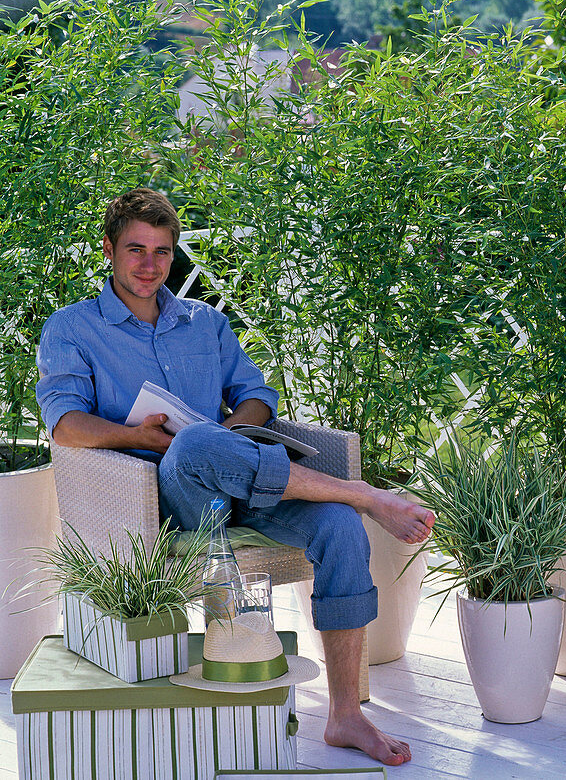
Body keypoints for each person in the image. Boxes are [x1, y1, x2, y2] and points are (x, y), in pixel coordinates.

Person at [35, 188, 433, 767]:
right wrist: (142, 437)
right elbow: (66, 426)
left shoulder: (206, 322)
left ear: (174, 256)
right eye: (136, 250)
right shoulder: (72, 329)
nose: (150, 265)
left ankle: (346, 715)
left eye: (162, 252)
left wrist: (237, 433)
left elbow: (255, 397)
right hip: (160, 497)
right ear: (109, 250)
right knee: (197, 442)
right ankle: (367, 494)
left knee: (340, 529)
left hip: (244, 479)